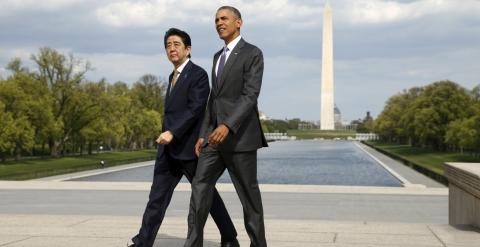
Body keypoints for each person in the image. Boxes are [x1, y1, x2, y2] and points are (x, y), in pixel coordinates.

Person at [128, 28, 238, 247]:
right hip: (168, 152)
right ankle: (143, 242)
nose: (171, 49)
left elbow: (195, 108)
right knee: (156, 198)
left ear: (188, 49)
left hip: (190, 150)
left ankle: (229, 237)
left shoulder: (198, 74)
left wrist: (172, 132)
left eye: (176, 44)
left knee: (207, 195)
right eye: (168, 45)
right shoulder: (172, 76)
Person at [184, 6, 268, 247]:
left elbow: (250, 95)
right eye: (216, 20)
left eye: (224, 18)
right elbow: (214, 99)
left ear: (238, 22)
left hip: (240, 138)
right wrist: (203, 134)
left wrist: (228, 126)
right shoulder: (216, 57)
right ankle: (192, 243)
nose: (219, 23)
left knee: (249, 198)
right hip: (214, 139)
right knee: (199, 187)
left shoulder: (253, 53)